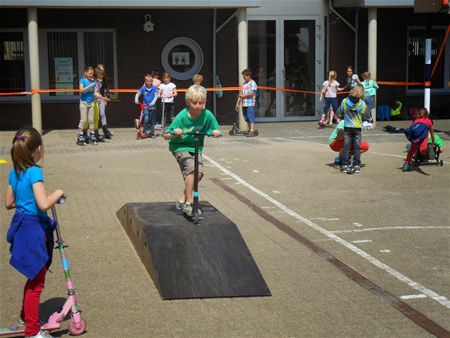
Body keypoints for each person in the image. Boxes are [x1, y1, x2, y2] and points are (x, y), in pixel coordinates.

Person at [5, 126, 65, 338]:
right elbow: (42, 205)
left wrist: (28, 196)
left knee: (32, 277)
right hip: (34, 230)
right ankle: (32, 331)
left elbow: (9, 203)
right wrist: (57, 193)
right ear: (39, 149)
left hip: (21, 226)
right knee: (37, 283)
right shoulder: (35, 171)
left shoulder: (15, 171)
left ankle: (25, 317)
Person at [163, 85, 221, 217]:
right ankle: (189, 203)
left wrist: (216, 132)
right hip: (179, 146)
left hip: (195, 147)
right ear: (189, 102)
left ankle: (183, 197)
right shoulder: (182, 116)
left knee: (199, 173)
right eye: (195, 103)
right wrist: (174, 133)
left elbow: (215, 129)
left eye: (201, 103)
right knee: (191, 169)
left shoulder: (207, 115)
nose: (198, 106)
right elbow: (166, 135)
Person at [336, 85, 369, 173]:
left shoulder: (344, 101)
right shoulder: (362, 103)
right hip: (357, 128)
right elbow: (367, 116)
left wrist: (344, 115)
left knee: (346, 147)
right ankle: (357, 165)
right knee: (357, 147)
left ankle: (344, 165)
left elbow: (339, 113)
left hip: (347, 127)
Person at [402, 107, 435, 172]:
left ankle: (406, 164)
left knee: (412, 151)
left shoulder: (415, 121)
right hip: (423, 137)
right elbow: (431, 132)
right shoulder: (428, 121)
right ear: (427, 114)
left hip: (415, 137)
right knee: (423, 149)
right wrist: (433, 141)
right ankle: (427, 153)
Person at [76, 66, 97, 145]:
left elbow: (94, 93)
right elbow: (81, 90)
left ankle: (92, 134)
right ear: (85, 73)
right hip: (83, 103)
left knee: (91, 120)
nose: (91, 75)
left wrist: (100, 97)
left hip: (91, 103)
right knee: (83, 120)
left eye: (92, 74)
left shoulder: (93, 81)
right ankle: (80, 135)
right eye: (89, 73)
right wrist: (90, 86)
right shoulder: (82, 80)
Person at [235, 68, 258, 137]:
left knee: (250, 116)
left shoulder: (252, 83)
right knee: (246, 117)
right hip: (244, 103)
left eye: (244, 77)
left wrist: (244, 96)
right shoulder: (244, 84)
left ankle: (252, 130)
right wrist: (237, 103)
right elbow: (240, 94)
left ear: (248, 76)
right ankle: (249, 129)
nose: (244, 78)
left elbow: (251, 94)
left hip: (250, 103)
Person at [95, 64, 112, 139]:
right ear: (97, 72)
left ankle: (105, 130)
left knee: (102, 114)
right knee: (96, 116)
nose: (102, 75)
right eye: (100, 73)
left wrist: (106, 98)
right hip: (94, 99)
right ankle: (95, 131)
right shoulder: (93, 80)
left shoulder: (104, 80)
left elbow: (106, 89)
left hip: (101, 99)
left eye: (103, 73)